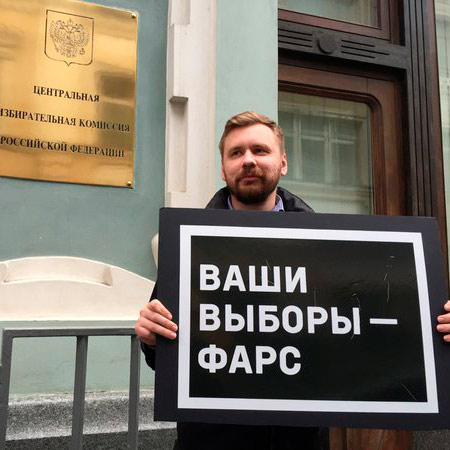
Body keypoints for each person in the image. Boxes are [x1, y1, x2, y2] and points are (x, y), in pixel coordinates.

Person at [135, 111, 450, 450]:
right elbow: (166, 354)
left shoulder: (326, 246)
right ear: (223, 169)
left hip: (299, 439)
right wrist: (152, 338)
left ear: (283, 163)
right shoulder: (190, 246)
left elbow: (366, 329)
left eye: (260, 150)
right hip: (212, 439)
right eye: (236, 153)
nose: (248, 160)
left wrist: (435, 331)